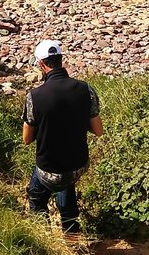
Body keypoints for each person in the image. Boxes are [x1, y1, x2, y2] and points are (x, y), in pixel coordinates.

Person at [22, 39, 103, 236]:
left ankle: (44, 239)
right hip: (78, 164)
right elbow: (98, 130)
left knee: (36, 195)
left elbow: (27, 139)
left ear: (41, 64)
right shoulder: (86, 89)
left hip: (49, 167)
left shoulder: (34, 96)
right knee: (66, 185)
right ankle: (72, 235)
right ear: (60, 60)